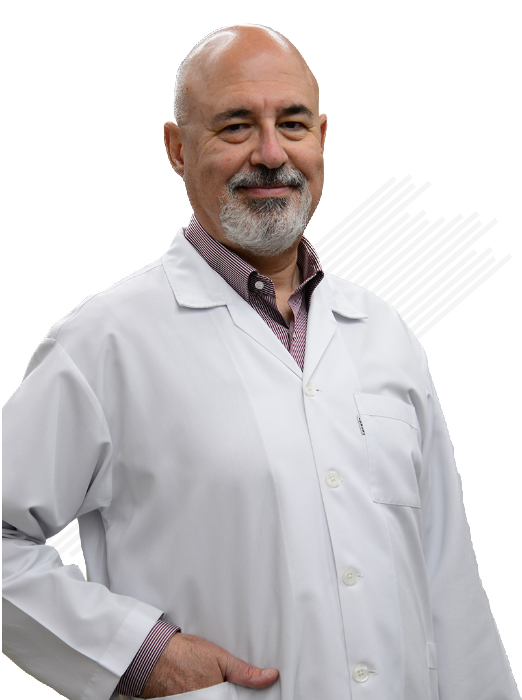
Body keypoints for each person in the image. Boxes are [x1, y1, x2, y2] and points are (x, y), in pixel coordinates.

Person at [2, 21, 519, 700]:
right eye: (237, 126)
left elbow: (448, 575)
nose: (271, 154)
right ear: (177, 148)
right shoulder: (103, 341)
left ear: (322, 138)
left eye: (293, 124)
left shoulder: (385, 337)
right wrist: (143, 655)